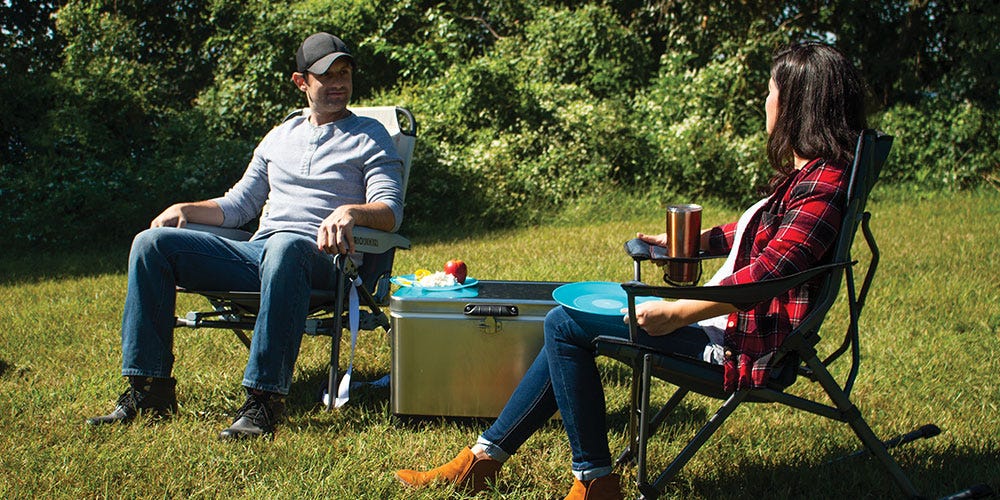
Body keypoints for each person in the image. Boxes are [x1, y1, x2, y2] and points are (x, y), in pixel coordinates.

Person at [393, 41, 868, 498]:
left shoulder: (821, 185)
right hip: (726, 325)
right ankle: (488, 462)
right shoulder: (809, 177)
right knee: (567, 316)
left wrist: (679, 312)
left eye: (770, 92)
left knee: (565, 323)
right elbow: (758, 234)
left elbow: (766, 275)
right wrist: (692, 243)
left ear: (796, 105)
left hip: (740, 345)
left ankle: (586, 479)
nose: (764, 102)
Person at [86, 32, 405, 440]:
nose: (339, 82)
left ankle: (263, 401)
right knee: (151, 245)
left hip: (328, 264)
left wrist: (349, 211)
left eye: (345, 73)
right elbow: (238, 206)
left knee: (287, 245)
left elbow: (390, 211)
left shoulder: (370, 135)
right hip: (262, 255)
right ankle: (149, 390)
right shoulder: (279, 135)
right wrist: (187, 209)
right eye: (327, 75)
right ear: (301, 82)